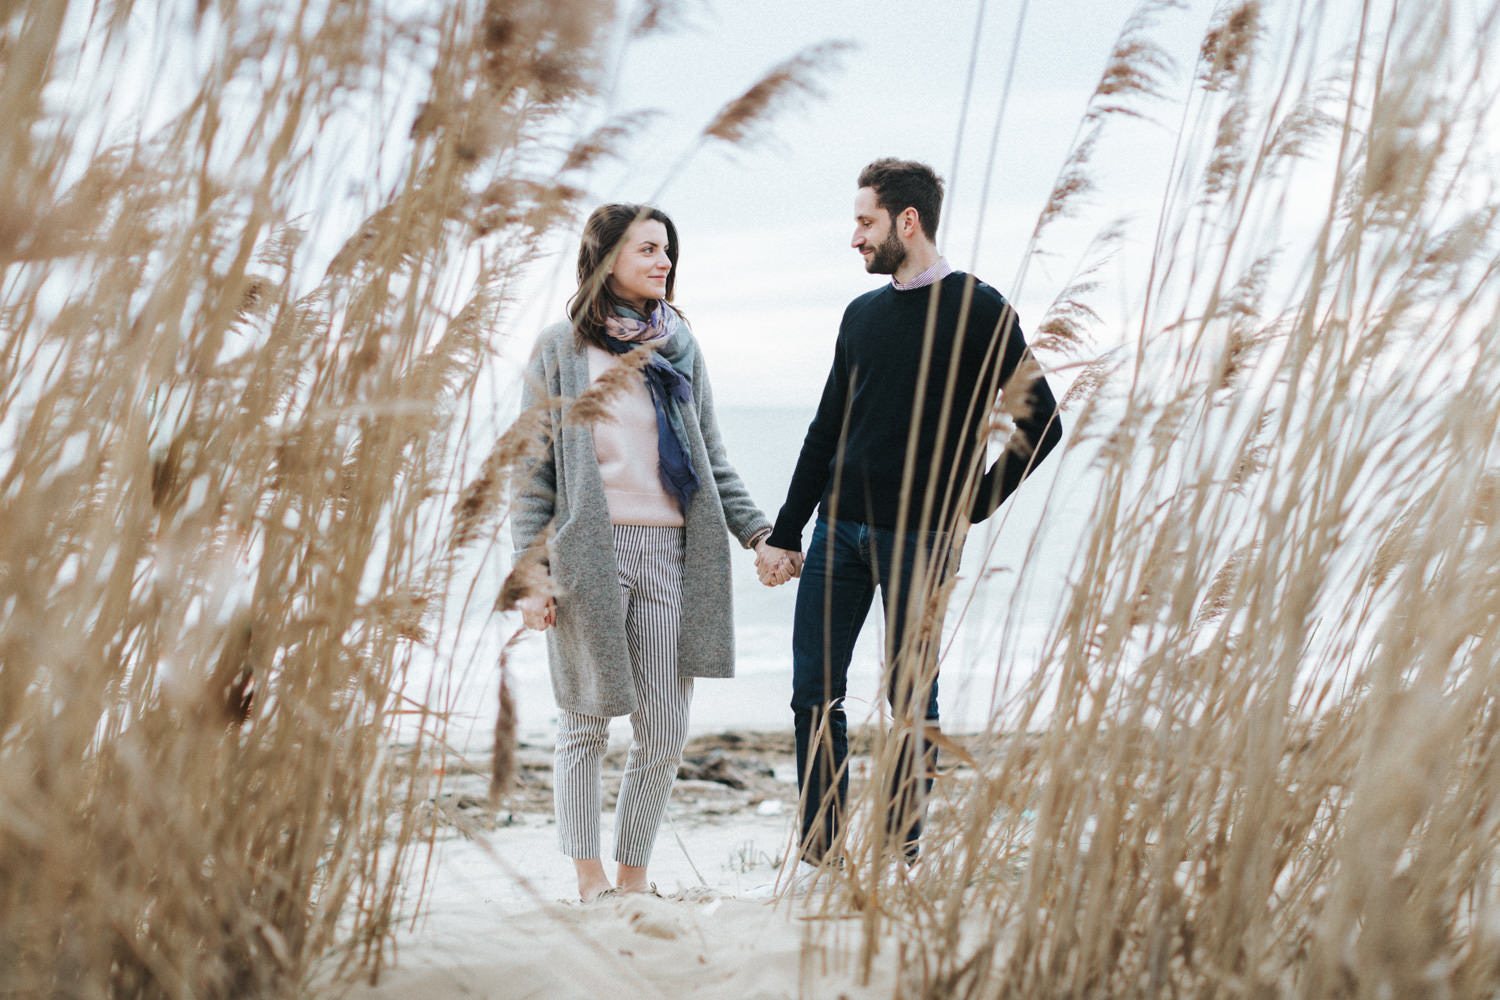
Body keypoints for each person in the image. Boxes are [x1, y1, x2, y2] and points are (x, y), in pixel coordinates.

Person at [758, 158, 1063, 888]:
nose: (854, 238)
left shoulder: (979, 308)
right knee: (814, 693)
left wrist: (970, 505)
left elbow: (1042, 422)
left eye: (864, 222)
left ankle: (900, 858)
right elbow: (825, 430)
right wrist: (788, 531)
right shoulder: (861, 315)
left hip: (921, 539)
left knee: (908, 701)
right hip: (840, 532)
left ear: (907, 221)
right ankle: (820, 856)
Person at [508, 203, 785, 902]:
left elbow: (711, 459)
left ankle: (633, 878)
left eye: (667, 250)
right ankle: (590, 880)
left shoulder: (679, 346)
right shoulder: (559, 351)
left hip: (672, 556)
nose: (664, 261)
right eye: (648, 250)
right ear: (606, 260)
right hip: (587, 560)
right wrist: (532, 578)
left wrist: (759, 533)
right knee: (585, 722)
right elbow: (531, 477)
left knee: (664, 729)